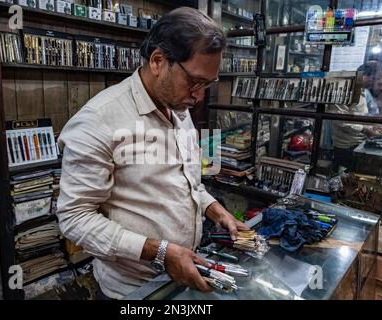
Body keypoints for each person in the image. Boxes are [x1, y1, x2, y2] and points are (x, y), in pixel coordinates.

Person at [56, 7, 248, 300]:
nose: (198, 96)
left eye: (207, 85)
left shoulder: (178, 107)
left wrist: (215, 210)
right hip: (134, 291)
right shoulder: (99, 120)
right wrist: (160, 251)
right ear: (158, 61)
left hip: (184, 273)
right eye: (195, 81)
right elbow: (75, 218)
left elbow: (186, 182)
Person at [328, 61, 382, 172]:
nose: (374, 82)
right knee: (342, 178)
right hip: (345, 147)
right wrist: (365, 129)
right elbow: (339, 120)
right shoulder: (344, 90)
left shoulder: (361, 91)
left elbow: (358, 115)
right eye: (373, 78)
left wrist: (372, 125)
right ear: (364, 75)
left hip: (357, 144)